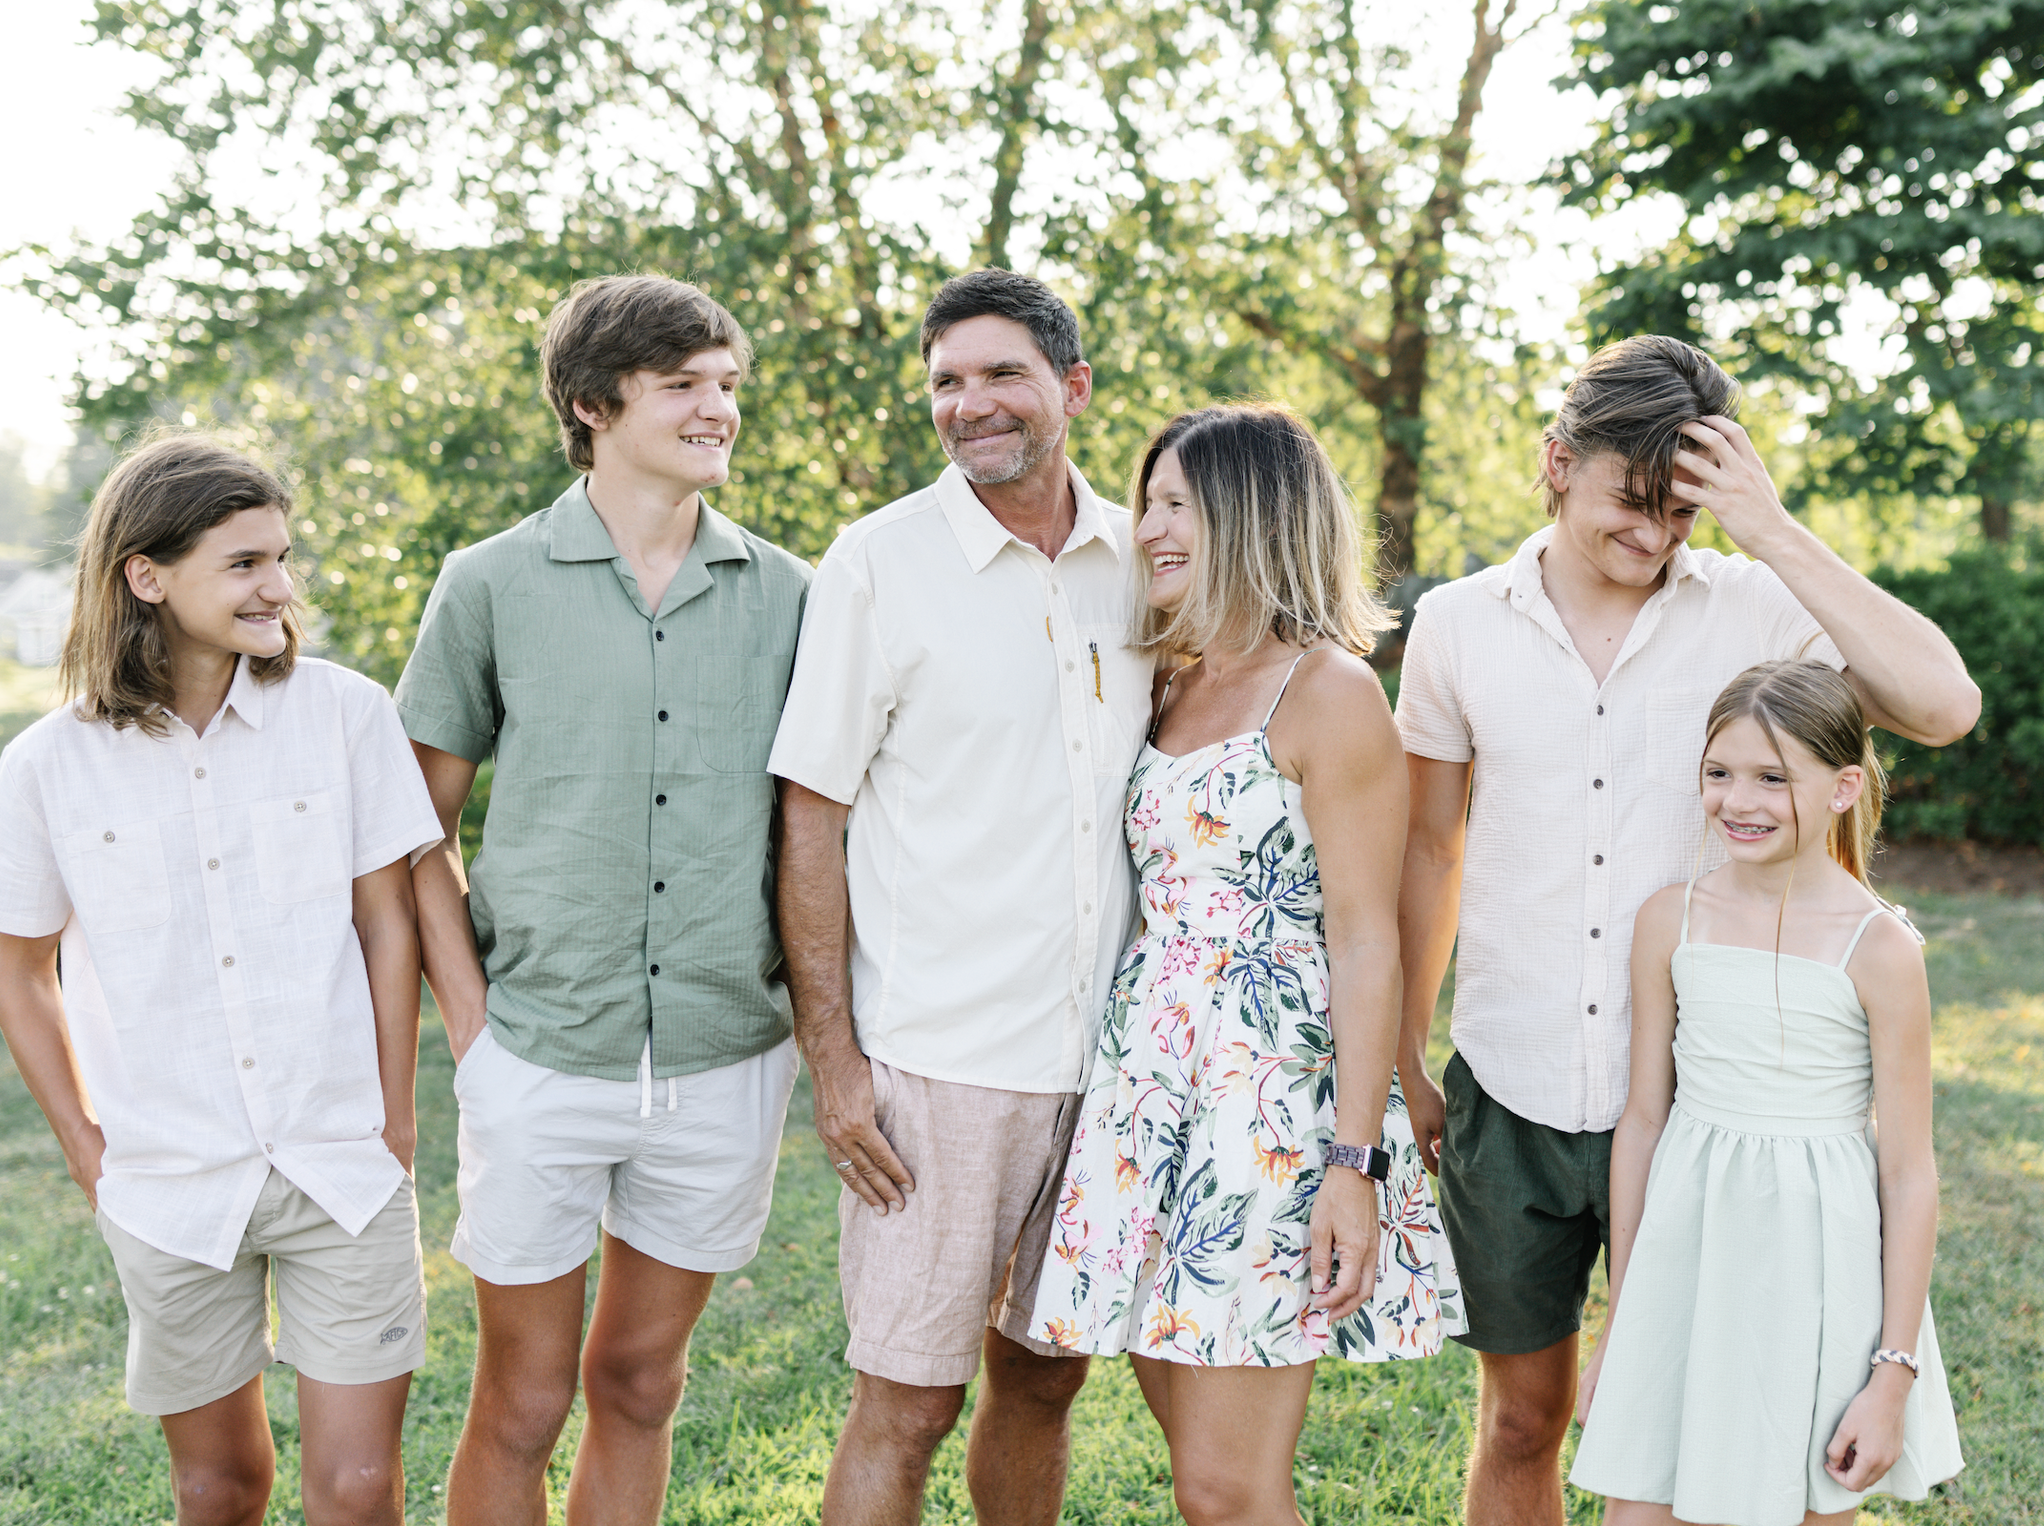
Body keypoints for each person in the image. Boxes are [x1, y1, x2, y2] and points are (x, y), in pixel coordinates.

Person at [1391, 335, 1983, 1526]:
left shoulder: (1759, 602)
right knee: (1523, 1419)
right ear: (1557, 463)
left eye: (1681, 509)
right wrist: (1407, 1047)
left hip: (1712, 1117)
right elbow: (1428, 848)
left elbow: (1942, 703)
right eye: (1630, 500)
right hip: (1514, 1085)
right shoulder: (1457, 624)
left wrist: (1765, 524)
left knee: (1703, 1420)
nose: (1656, 535)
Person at [0, 435, 443, 1526]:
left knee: (360, 1490)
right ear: (147, 573)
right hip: (167, 1181)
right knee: (219, 1487)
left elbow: (386, 920)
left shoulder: (344, 711)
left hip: (341, 1164)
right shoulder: (48, 762)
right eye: (243, 562)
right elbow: (19, 971)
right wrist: (87, 1146)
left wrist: (394, 1110)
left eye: (281, 556)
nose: (278, 585)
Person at [394, 274, 811, 1525]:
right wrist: (473, 1026)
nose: (717, 408)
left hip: (725, 1054)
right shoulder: (489, 582)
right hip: (538, 1049)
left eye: (727, 383)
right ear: (592, 403)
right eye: (683, 383)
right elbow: (416, 822)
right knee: (520, 1402)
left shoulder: (791, 593)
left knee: (639, 1379)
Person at [1028, 404, 1462, 1525]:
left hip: (1266, 1106)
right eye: (1147, 502)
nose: (1151, 527)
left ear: (1254, 515)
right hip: (1149, 1095)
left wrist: (1352, 1164)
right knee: (1196, 1465)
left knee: (1227, 1485)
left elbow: (1368, 938)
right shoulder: (1168, 678)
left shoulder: (1328, 691)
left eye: (1178, 504)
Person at [769, 268, 1154, 1526]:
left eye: (1001, 374)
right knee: (906, 1399)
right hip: (939, 1062)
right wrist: (834, 1061)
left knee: (1045, 1376)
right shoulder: (878, 562)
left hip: (1107, 1059)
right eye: (945, 381)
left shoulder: (1148, 562)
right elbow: (809, 813)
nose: (969, 403)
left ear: (1072, 389)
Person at [1571, 659, 1964, 1523]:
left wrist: (1891, 1376)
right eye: (1720, 773)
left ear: (1842, 787)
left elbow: (1907, 1174)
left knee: (1799, 1501)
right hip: (1687, 1244)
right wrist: (1622, 1326)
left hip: (1817, 1268)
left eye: (1771, 778)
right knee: (1638, 1507)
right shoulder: (1670, 919)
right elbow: (1643, 1121)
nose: (1737, 801)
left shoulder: (1880, 948)